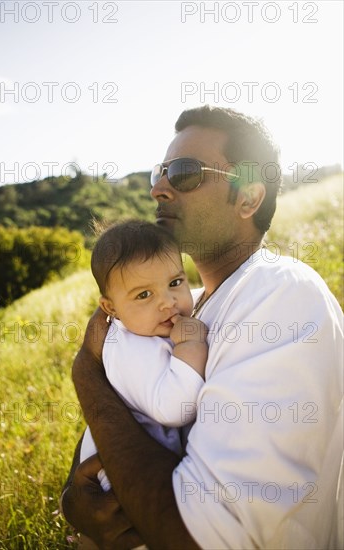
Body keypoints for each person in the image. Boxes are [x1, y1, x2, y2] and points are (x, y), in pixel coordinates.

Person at [62, 106, 343, 550]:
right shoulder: (184, 308)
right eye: (161, 171)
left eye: (185, 172)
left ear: (248, 198)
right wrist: (74, 501)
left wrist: (84, 374)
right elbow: (129, 410)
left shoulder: (279, 292)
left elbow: (199, 537)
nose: (158, 188)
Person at [80, 220, 208, 490]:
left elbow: (197, 296)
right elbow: (175, 409)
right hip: (122, 489)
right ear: (110, 308)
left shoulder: (145, 324)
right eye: (144, 295)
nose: (167, 301)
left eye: (175, 282)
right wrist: (190, 346)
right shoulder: (128, 349)